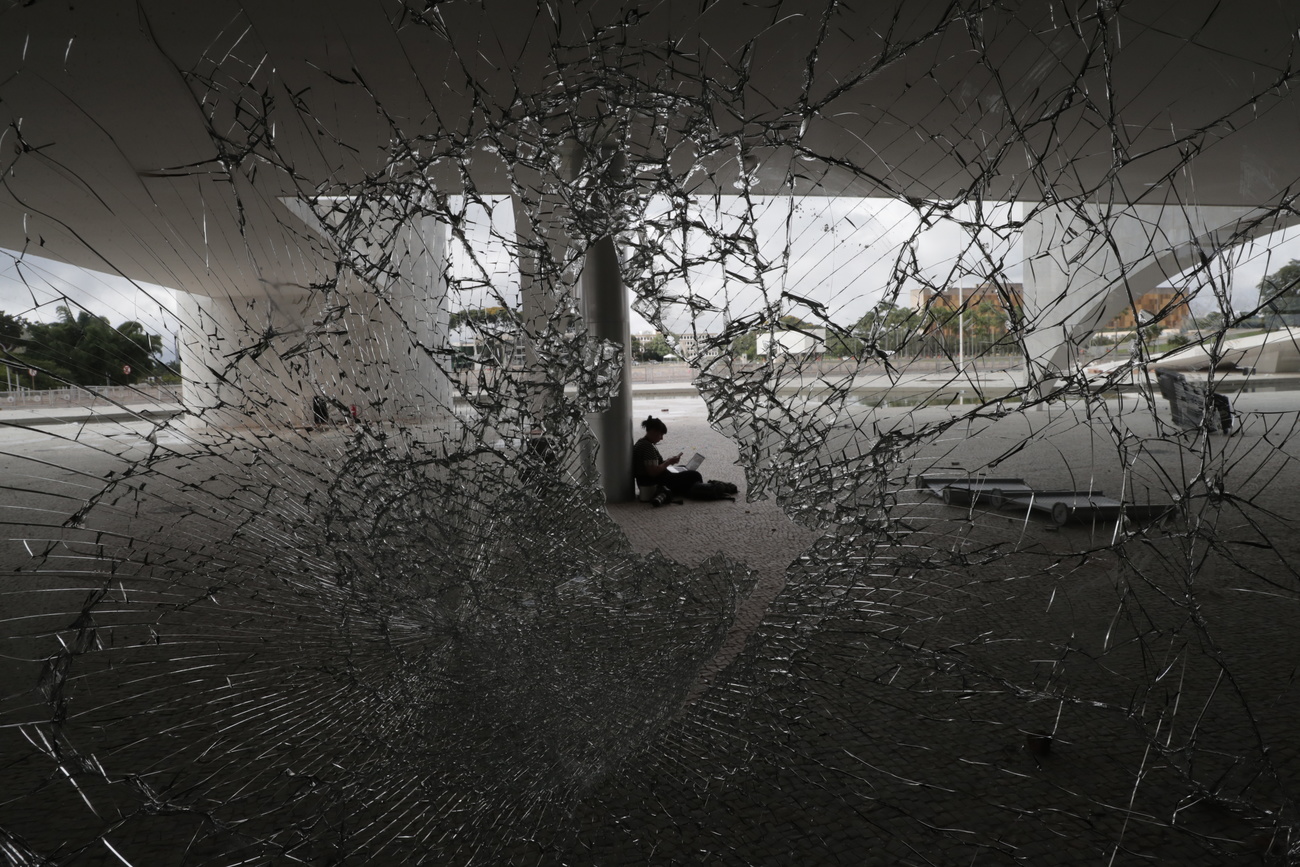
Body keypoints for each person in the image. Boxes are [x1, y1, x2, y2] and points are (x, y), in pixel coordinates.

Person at [633, 416, 702, 500]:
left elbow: (654, 465)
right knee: (695, 475)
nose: (661, 438)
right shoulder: (647, 447)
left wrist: (669, 461)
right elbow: (653, 472)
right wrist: (668, 462)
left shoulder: (643, 443)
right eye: (661, 434)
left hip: (649, 479)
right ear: (653, 431)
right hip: (653, 481)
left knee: (684, 468)